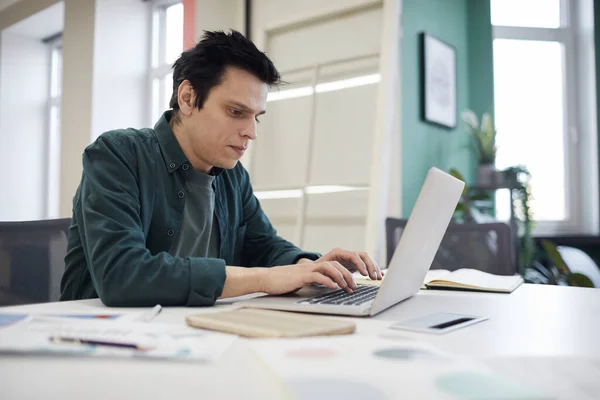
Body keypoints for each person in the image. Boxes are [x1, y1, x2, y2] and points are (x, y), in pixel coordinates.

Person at [60, 30, 382, 307]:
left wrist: (309, 266)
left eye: (256, 117)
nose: (251, 132)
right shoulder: (116, 156)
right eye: (236, 111)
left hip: (192, 337)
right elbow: (123, 275)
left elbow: (264, 246)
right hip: (100, 341)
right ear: (187, 98)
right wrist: (265, 279)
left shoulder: (232, 175)